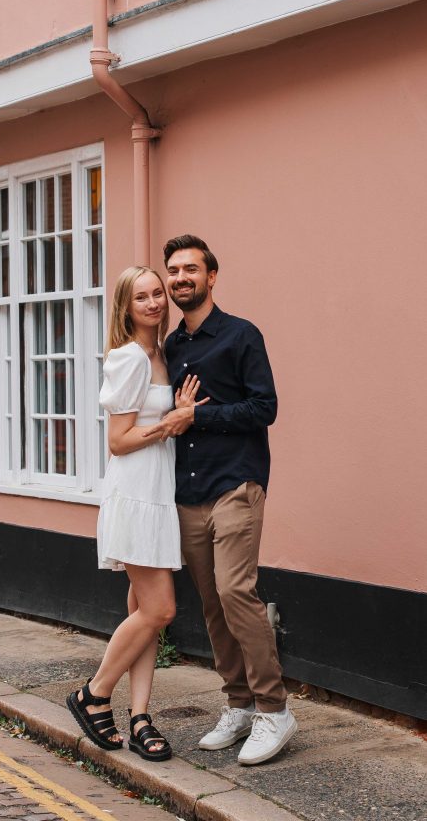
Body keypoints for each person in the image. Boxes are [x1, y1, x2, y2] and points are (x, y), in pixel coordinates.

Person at [156, 234, 297, 766]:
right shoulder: (171, 347)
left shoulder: (241, 336)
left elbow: (265, 408)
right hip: (188, 491)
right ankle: (238, 703)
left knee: (237, 591)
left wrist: (199, 415)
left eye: (191, 268)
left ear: (212, 276)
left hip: (236, 484)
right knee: (212, 603)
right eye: (173, 270)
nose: (180, 278)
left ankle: (274, 708)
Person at [67, 266, 203, 762]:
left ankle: (140, 715)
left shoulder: (161, 355)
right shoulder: (128, 359)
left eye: (157, 295)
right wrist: (171, 423)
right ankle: (94, 694)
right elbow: (118, 441)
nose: (153, 303)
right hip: (135, 496)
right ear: (126, 307)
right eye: (141, 297)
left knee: (143, 614)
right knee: (160, 610)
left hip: (158, 495)